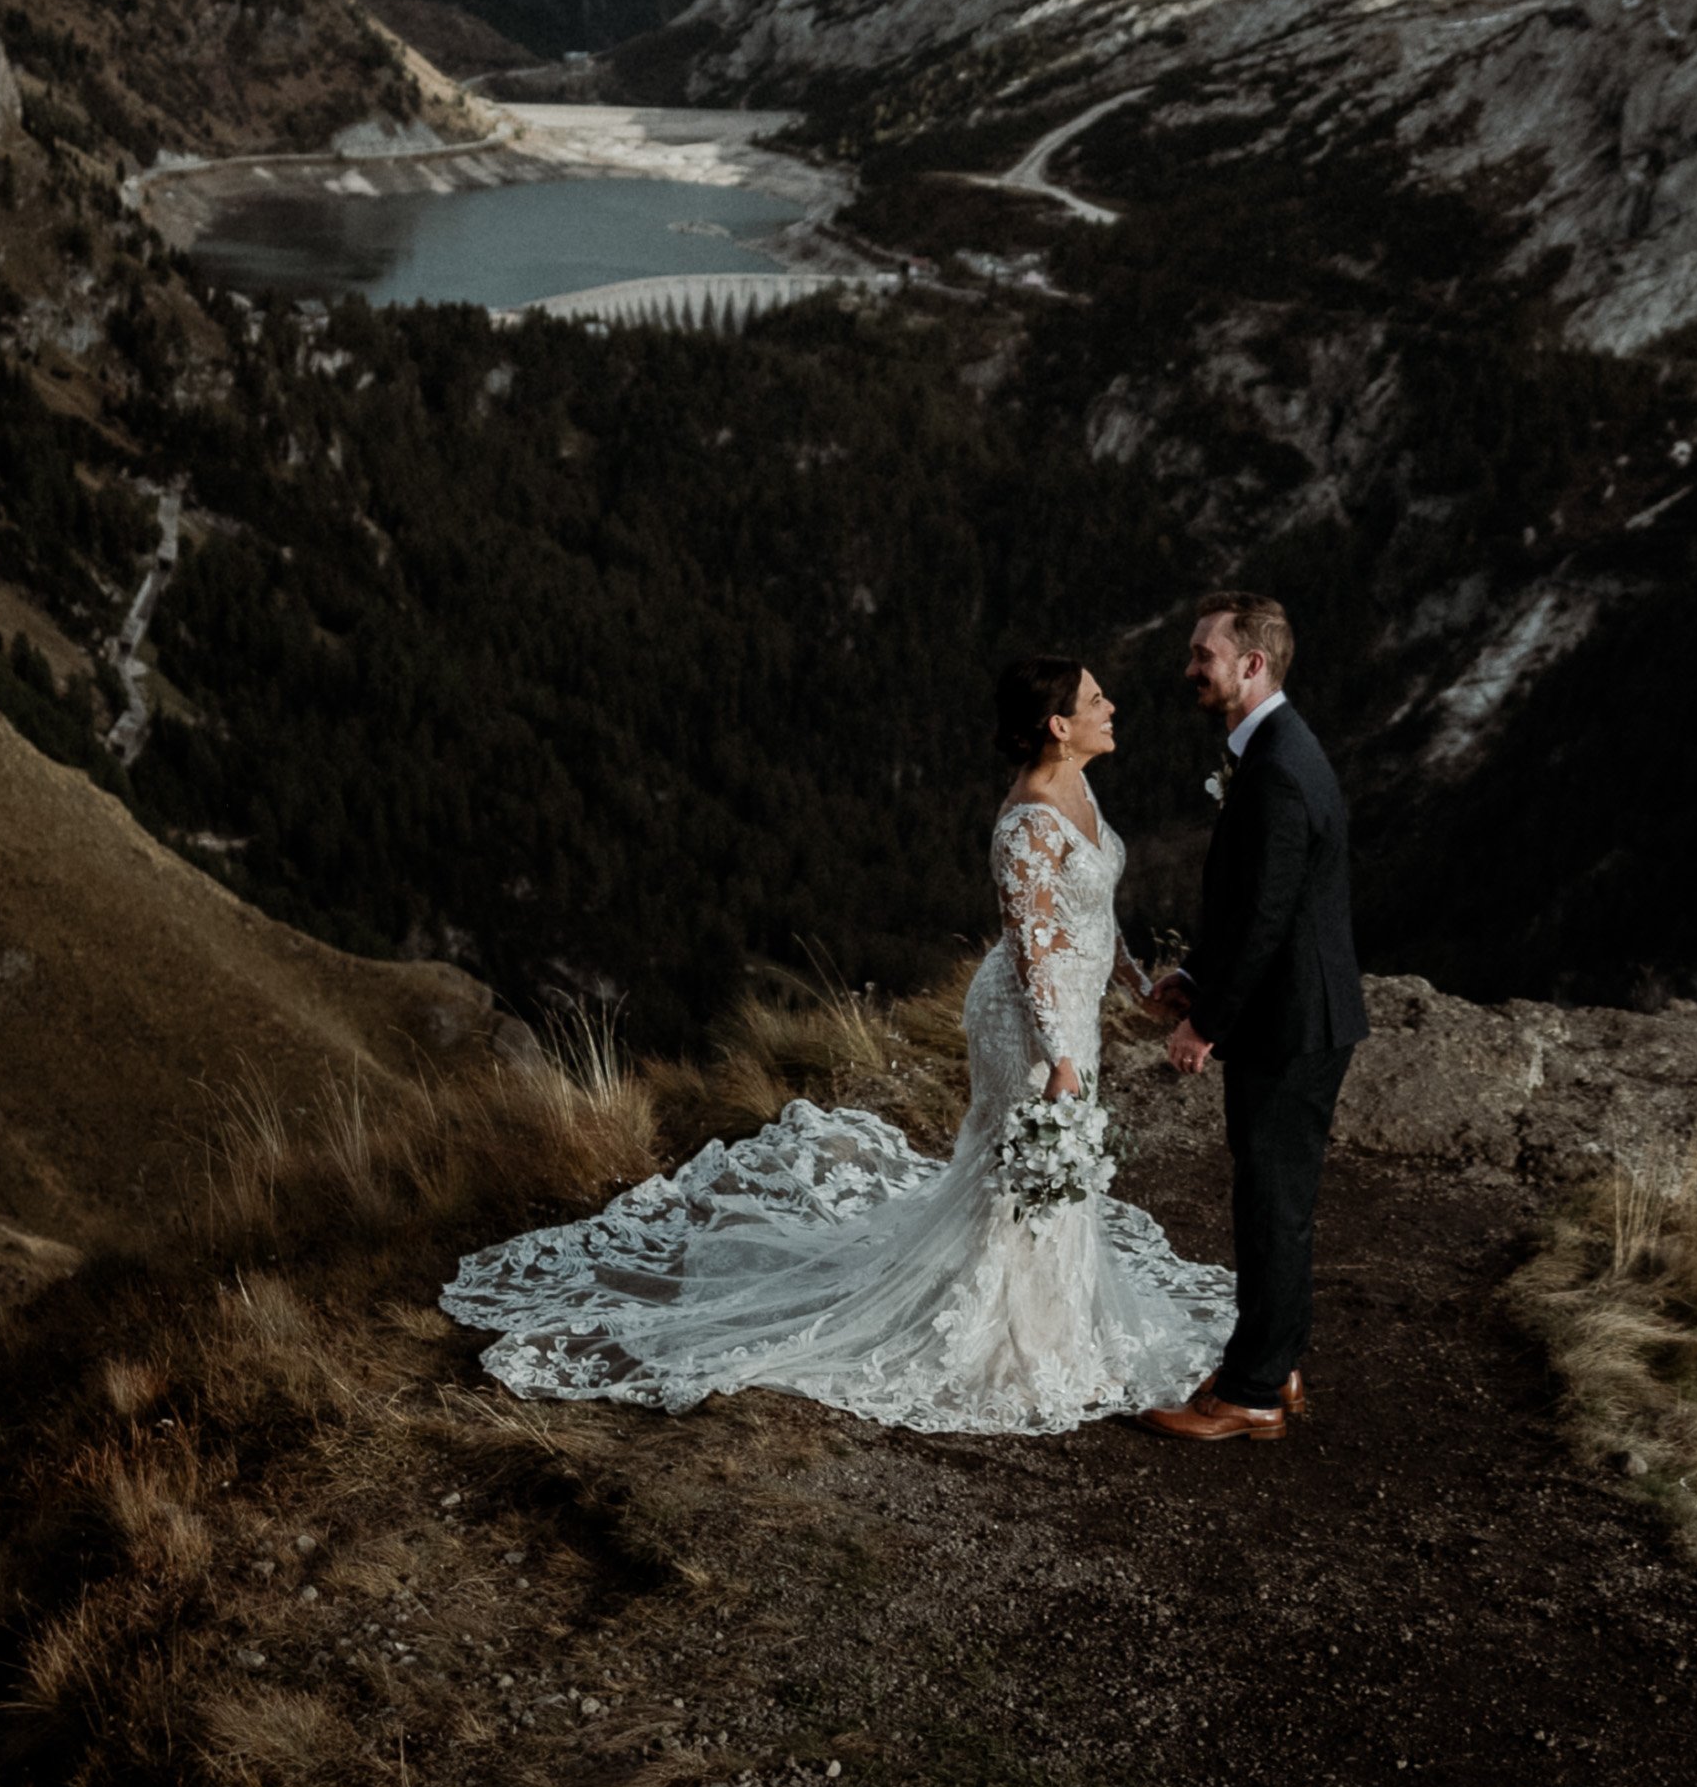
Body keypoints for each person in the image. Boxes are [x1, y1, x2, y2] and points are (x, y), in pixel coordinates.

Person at [443, 654, 1232, 1434]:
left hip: (1071, 1010)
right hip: (1027, 1018)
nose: (1111, 707)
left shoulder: (1080, 784)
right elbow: (1030, 947)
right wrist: (1059, 1055)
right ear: (1059, 727)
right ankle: (1006, 1338)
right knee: (1020, 1166)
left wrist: (1136, 983)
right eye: (1096, 700)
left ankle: (1051, 1319)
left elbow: (1088, 910)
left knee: (1043, 1166)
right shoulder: (1026, 822)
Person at [1145, 584, 1363, 1444]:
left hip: (1291, 1022)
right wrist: (1195, 972)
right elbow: (1252, 899)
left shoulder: (1275, 768)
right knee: (1275, 1196)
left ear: (1252, 664)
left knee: (1273, 1203)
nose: (1189, 667)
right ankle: (1274, 1363)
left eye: (1203, 654)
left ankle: (1255, 1393)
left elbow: (1269, 920)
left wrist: (1206, 1025)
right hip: (1296, 1014)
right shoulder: (1274, 747)